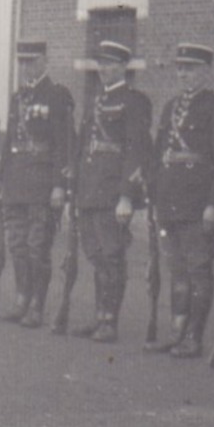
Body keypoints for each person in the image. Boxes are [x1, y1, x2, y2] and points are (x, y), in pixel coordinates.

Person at [146, 43, 214, 358]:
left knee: (198, 269)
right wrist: (154, 193)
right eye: (180, 67)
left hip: (198, 201)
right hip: (170, 198)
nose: (184, 73)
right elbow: (160, 154)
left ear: (206, 71)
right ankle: (177, 331)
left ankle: (195, 337)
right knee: (176, 270)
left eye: (191, 68)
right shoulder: (171, 106)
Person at [69, 39, 153, 343]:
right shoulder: (96, 100)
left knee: (112, 256)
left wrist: (126, 196)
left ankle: (109, 321)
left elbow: (136, 150)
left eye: (111, 64)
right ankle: (99, 317)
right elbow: (82, 148)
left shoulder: (134, 101)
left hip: (112, 192)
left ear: (123, 67)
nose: (104, 69)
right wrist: (74, 189)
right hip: (89, 189)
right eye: (101, 64)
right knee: (96, 256)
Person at [0, 40, 75, 329]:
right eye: (23, 62)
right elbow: (9, 142)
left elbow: (64, 144)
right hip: (16, 180)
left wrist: (59, 186)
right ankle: (21, 299)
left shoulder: (56, 95)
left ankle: (37, 305)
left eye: (32, 61)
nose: (27, 67)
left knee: (36, 246)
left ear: (45, 60)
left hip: (42, 183)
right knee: (16, 244)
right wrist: (1, 178)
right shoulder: (19, 96)